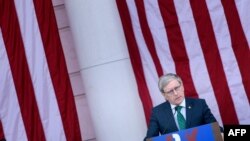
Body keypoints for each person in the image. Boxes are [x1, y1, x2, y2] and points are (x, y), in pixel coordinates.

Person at [144, 73, 223, 140]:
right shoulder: (157, 112)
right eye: (170, 91)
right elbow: (150, 138)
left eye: (177, 88)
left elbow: (217, 129)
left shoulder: (199, 105)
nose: (175, 93)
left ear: (182, 86)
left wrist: (221, 134)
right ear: (164, 95)